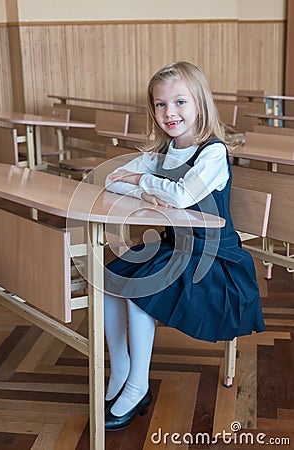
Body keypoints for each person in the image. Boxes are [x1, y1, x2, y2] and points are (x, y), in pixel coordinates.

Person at [103, 61, 266, 431]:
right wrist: (148, 186)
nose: (169, 112)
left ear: (200, 104)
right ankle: (123, 370)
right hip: (173, 247)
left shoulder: (211, 153)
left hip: (213, 259)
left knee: (137, 291)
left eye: (179, 102)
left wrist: (144, 182)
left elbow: (182, 195)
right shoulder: (161, 151)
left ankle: (139, 387)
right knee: (109, 282)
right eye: (160, 104)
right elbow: (113, 178)